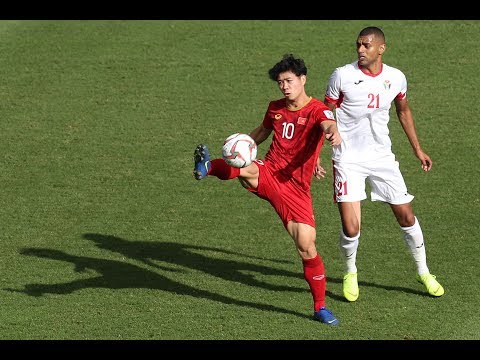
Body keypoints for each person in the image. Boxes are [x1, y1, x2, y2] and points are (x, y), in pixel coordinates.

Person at [193, 54, 342, 325]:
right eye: (280, 82)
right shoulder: (275, 108)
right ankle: (208, 166)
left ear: (302, 79)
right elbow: (261, 133)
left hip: (296, 189)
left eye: (289, 81)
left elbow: (328, 124)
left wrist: (333, 133)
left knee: (307, 247)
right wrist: (241, 146)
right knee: (247, 168)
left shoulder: (318, 110)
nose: (284, 87)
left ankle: (319, 306)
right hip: (270, 172)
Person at [322, 26, 444, 302]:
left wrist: (417, 149)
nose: (360, 50)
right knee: (352, 227)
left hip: (382, 158)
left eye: (366, 45)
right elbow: (323, 111)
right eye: (358, 45)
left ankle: (424, 272)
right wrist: (320, 147)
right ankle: (350, 271)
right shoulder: (343, 76)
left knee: (406, 216)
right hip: (348, 158)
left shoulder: (396, 77)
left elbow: (403, 110)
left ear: (381, 48)